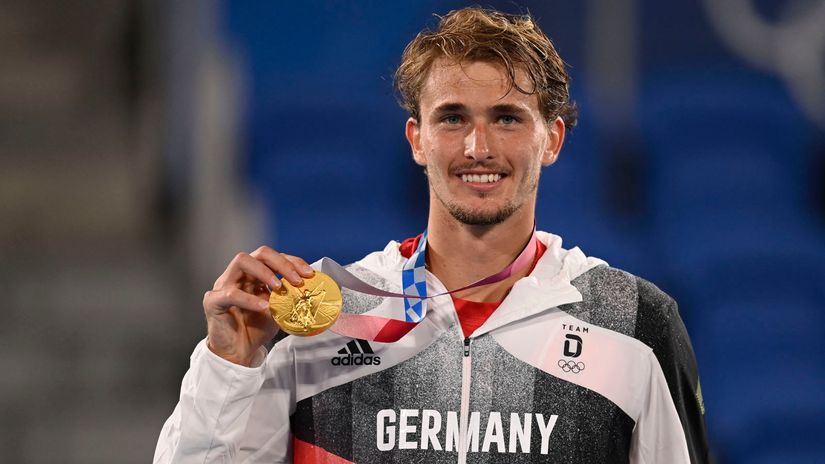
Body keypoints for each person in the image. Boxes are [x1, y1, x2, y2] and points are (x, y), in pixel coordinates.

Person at [154, 7, 709, 463]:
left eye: (508, 118)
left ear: (553, 139)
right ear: (416, 140)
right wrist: (226, 366)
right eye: (452, 118)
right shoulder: (327, 314)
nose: (478, 148)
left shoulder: (633, 323)